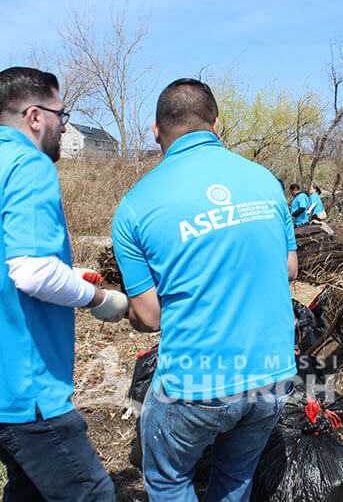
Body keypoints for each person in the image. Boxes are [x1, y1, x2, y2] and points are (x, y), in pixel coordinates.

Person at [0, 67, 128, 501]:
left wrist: (69, 274)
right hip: (22, 379)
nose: (64, 124)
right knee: (90, 493)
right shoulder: (29, 165)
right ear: (36, 116)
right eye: (63, 113)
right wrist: (99, 297)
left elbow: (1, 263)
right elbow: (32, 271)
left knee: (31, 490)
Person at [111, 78, 297, 501]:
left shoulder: (135, 206)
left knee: (167, 479)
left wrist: (113, 306)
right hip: (273, 375)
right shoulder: (265, 180)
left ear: (156, 132)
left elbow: (150, 317)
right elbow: (289, 267)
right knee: (234, 479)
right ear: (217, 125)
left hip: (196, 384)